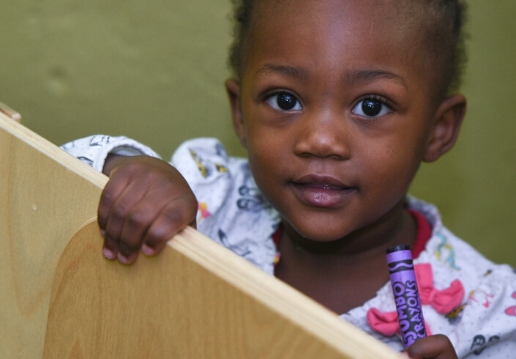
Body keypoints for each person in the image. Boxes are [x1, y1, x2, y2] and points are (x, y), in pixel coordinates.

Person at [60, 0, 516, 357]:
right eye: (284, 100)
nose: (320, 140)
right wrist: (130, 175)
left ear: (438, 131)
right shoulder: (206, 200)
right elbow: (47, 187)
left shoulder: (486, 312)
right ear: (240, 114)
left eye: (371, 106)